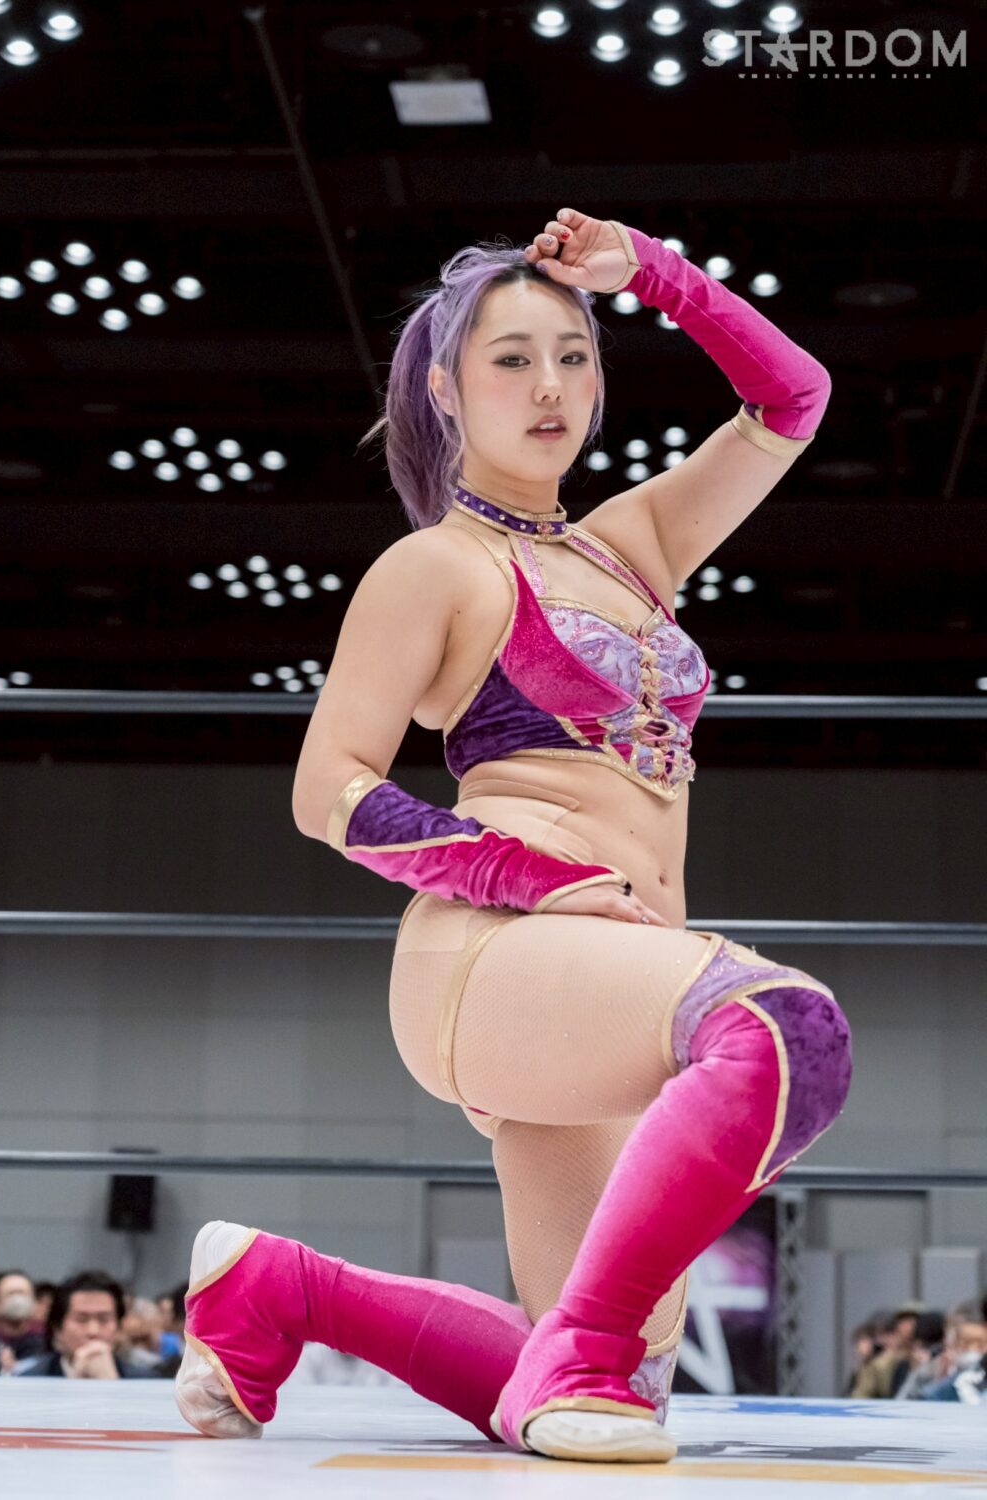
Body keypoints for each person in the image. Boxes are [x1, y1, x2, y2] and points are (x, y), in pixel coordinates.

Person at [176, 206, 851, 1462]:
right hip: (493, 953)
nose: (549, 386)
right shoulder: (436, 567)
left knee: (611, 1386)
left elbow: (793, 398)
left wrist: (653, 275)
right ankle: (579, 1345)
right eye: (511, 359)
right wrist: (535, 879)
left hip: (604, 981)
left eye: (572, 356)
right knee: (783, 1029)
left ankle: (279, 1289)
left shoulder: (636, 548)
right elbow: (329, 790)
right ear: (445, 391)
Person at [13, 1270, 147, 1380]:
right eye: (81, 1320)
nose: (93, 1331)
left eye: (104, 1320)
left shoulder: (145, 1382)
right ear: (57, 1328)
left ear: (119, 1328)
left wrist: (111, 1385)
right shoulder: (29, 1381)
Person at [0, 1269, 47, 1362]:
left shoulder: (46, 1339)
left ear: (33, 1300)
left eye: (22, 1293)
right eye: (11, 1294)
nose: (17, 1300)